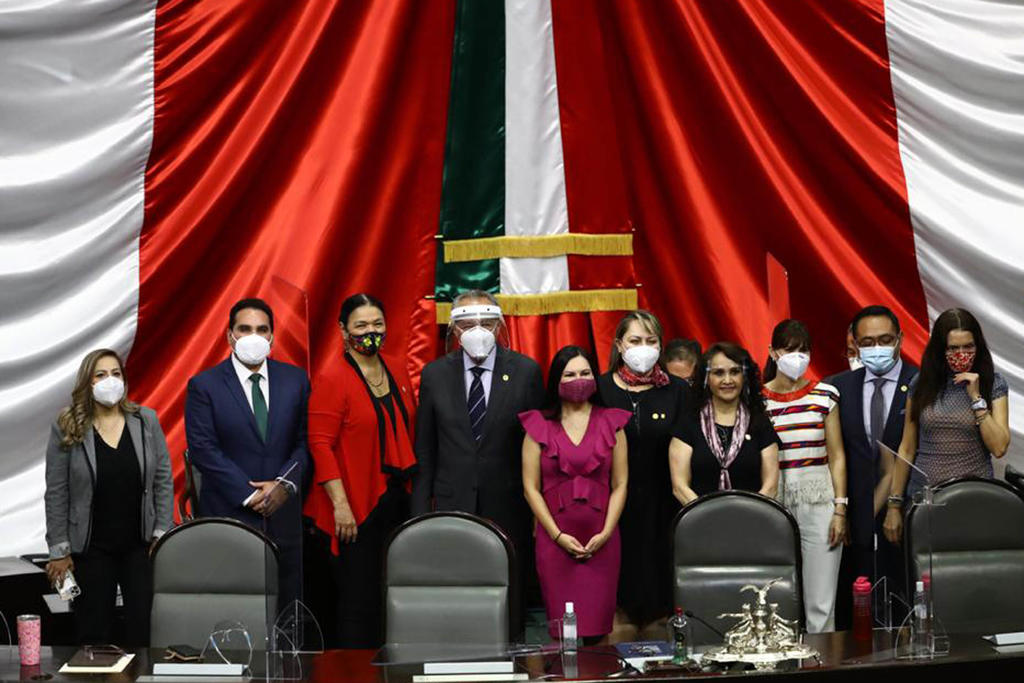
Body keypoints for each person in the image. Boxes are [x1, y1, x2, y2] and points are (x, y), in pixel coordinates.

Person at [411, 290, 544, 634]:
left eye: (486, 322)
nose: (478, 331)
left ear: (500, 325)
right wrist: (419, 515)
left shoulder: (525, 371)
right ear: (454, 330)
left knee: (510, 597)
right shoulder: (435, 374)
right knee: (457, 591)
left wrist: (538, 512)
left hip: (510, 504)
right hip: (453, 503)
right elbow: (426, 449)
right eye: (468, 323)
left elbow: (538, 447)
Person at [302, 294, 417, 648]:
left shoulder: (396, 367)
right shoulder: (333, 378)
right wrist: (340, 504)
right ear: (343, 330)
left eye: (377, 324)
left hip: (395, 498)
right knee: (358, 599)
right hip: (354, 504)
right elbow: (320, 444)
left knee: (390, 594)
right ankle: (354, 668)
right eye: (361, 326)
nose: (371, 332)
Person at [185, 297, 310, 609]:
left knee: (286, 609)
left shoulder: (296, 380)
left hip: (284, 516)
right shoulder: (204, 385)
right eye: (244, 329)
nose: (253, 336)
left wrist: (283, 486)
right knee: (232, 608)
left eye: (261, 329)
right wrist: (250, 495)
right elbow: (203, 449)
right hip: (230, 515)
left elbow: (305, 442)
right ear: (230, 335)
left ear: (272, 336)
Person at [44, 349, 173, 645]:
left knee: (141, 631)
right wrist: (59, 551)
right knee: (94, 633)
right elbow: (57, 491)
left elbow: (163, 480)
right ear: (86, 382)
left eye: (116, 373)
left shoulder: (146, 420)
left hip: (140, 547)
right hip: (90, 549)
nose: (109, 380)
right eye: (100, 375)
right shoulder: (67, 425)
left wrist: (161, 533)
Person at [520, 347, 630, 643]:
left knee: (599, 632)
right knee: (561, 634)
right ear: (556, 380)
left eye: (585, 373)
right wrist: (557, 536)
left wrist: (606, 533)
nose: (578, 380)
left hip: (602, 539)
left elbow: (620, 483)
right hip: (554, 540)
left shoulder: (613, 422)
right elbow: (530, 487)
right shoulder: (538, 425)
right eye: (569, 375)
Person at [596, 310, 689, 638]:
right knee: (616, 605)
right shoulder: (600, 389)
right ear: (619, 345)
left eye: (651, 341)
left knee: (659, 606)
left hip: (664, 509)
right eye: (635, 340)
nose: (643, 348)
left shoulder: (678, 390)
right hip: (612, 511)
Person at [883, 308, 1010, 544]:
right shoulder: (921, 383)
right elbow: (907, 448)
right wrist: (894, 504)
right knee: (924, 566)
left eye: (968, 346)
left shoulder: (993, 383)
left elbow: (999, 447)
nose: (961, 354)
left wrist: (976, 399)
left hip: (974, 500)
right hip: (924, 500)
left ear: (978, 346)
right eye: (953, 348)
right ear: (941, 349)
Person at [827, 305, 917, 629]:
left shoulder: (919, 383)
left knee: (906, 611)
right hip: (856, 522)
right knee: (857, 618)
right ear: (855, 344)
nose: (877, 348)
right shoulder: (837, 388)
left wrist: (896, 504)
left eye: (885, 340)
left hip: (907, 515)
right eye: (867, 342)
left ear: (900, 339)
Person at [761, 320, 849, 633]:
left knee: (821, 598)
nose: (797, 357)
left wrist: (840, 509)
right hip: (774, 499)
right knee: (772, 593)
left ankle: (822, 656)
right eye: (789, 350)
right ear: (773, 352)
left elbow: (837, 456)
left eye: (803, 350)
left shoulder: (826, 395)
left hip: (819, 498)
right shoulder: (758, 400)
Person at [669, 342, 780, 500]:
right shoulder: (688, 423)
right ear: (707, 378)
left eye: (735, 372)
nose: (727, 380)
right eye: (719, 373)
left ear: (744, 376)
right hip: (701, 515)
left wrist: (748, 512)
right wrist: (709, 513)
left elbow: (770, 487)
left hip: (751, 514)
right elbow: (680, 487)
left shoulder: (760, 423)